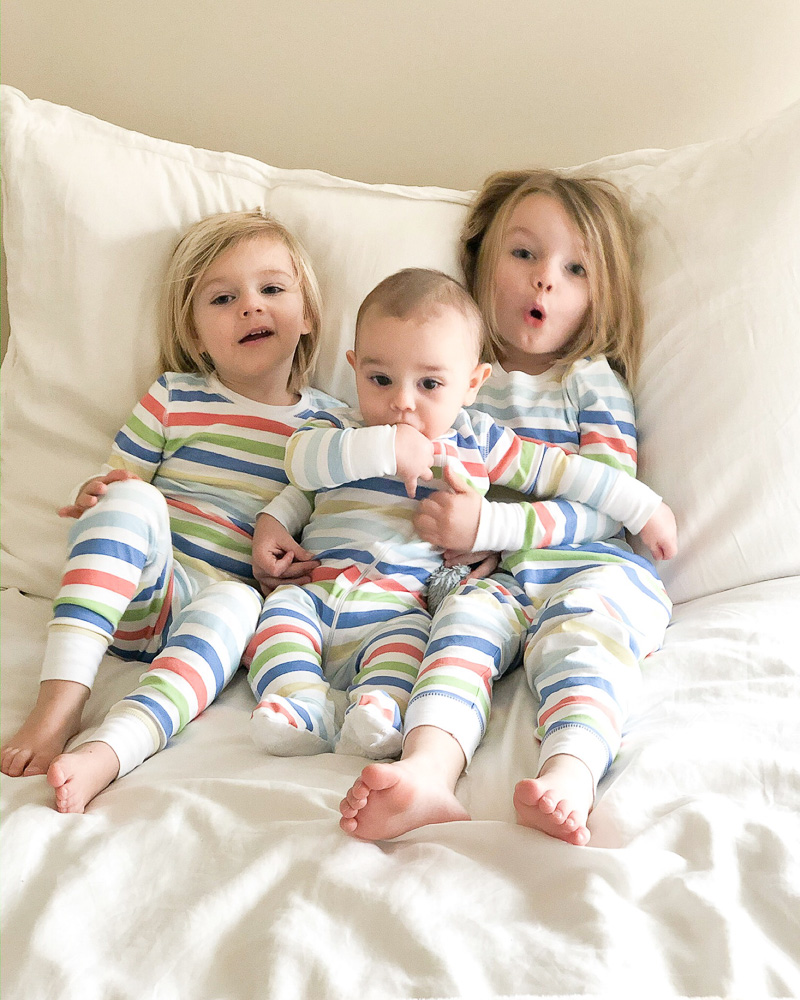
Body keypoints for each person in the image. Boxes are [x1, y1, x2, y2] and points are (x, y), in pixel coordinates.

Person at [340, 171, 675, 846]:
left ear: (599, 294)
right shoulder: (450, 380)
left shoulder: (588, 383)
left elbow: (604, 503)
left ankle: (569, 777)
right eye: (523, 254)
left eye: (574, 268)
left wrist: (491, 523)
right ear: (481, 264)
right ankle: (428, 772)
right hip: (490, 578)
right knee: (459, 627)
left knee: (587, 642)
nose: (544, 279)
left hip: (589, 565)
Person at [247, 267, 675, 762]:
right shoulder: (340, 429)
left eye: (429, 383)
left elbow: (565, 473)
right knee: (277, 623)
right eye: (380, 378)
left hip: (402, 608)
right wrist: (384, 448)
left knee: (412, 649)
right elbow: (300, 467)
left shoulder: (479, 440)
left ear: (472, 385)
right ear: (354, 366)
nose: (401, 403)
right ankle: (305, 708)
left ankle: (380, 711)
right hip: (313, 590)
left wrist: (644, 507)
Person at [0, 209, 341, 812]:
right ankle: (59, 703)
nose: (250, 307)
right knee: (129, 495)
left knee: (240, 602)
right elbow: (119, 482)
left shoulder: (331, 427)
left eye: (271, 289)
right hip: (141, 591)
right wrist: (97, 495)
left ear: (307, 314)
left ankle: (110, 750)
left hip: (217, 615)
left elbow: (344, 519)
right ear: (195, 332)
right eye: (223, 297)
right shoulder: (173, 397)